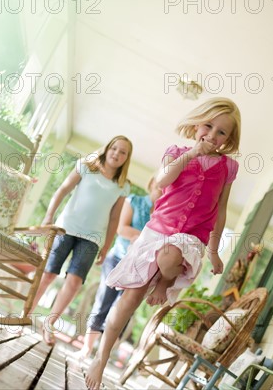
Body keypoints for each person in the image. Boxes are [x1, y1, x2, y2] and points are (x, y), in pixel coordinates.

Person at [85, 97, 241, 390]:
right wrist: (193, 153)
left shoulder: (227, 168)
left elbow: (220, 210)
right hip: (157, 230)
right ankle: (101, 356)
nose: (213, 135)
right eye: (208, 126)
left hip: (191, 238)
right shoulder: (176, 152)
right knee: (129, 299)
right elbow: (162, 180)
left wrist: (214, 251)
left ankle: (163, 282)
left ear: (229, 139)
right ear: (196, 125)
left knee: (170, 256)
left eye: (222, 132)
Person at [29, 135, 133, 346]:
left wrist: (106, 245)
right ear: (107, 148)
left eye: (123, 152)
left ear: (126, 159)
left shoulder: (123, 186)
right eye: (115, 148)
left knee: (74, 282)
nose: (117, 154)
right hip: (65, 228)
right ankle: (27, 312)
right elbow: (63, 190)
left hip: (92, 239)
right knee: (48, 273)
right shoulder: (86, 166)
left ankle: (49, 325)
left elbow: (114, 218)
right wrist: (49, 216)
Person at [75, 177, 162, 360]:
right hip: (117, 260)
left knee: (122, 310)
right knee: (103, 302)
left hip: (140, 269)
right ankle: (87, 349)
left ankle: (102, 355)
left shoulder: (163, 214)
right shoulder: (133, 201)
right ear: (152, 182)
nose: (164, 189)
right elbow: (122, 228)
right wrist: (145, 237)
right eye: (162, 184)